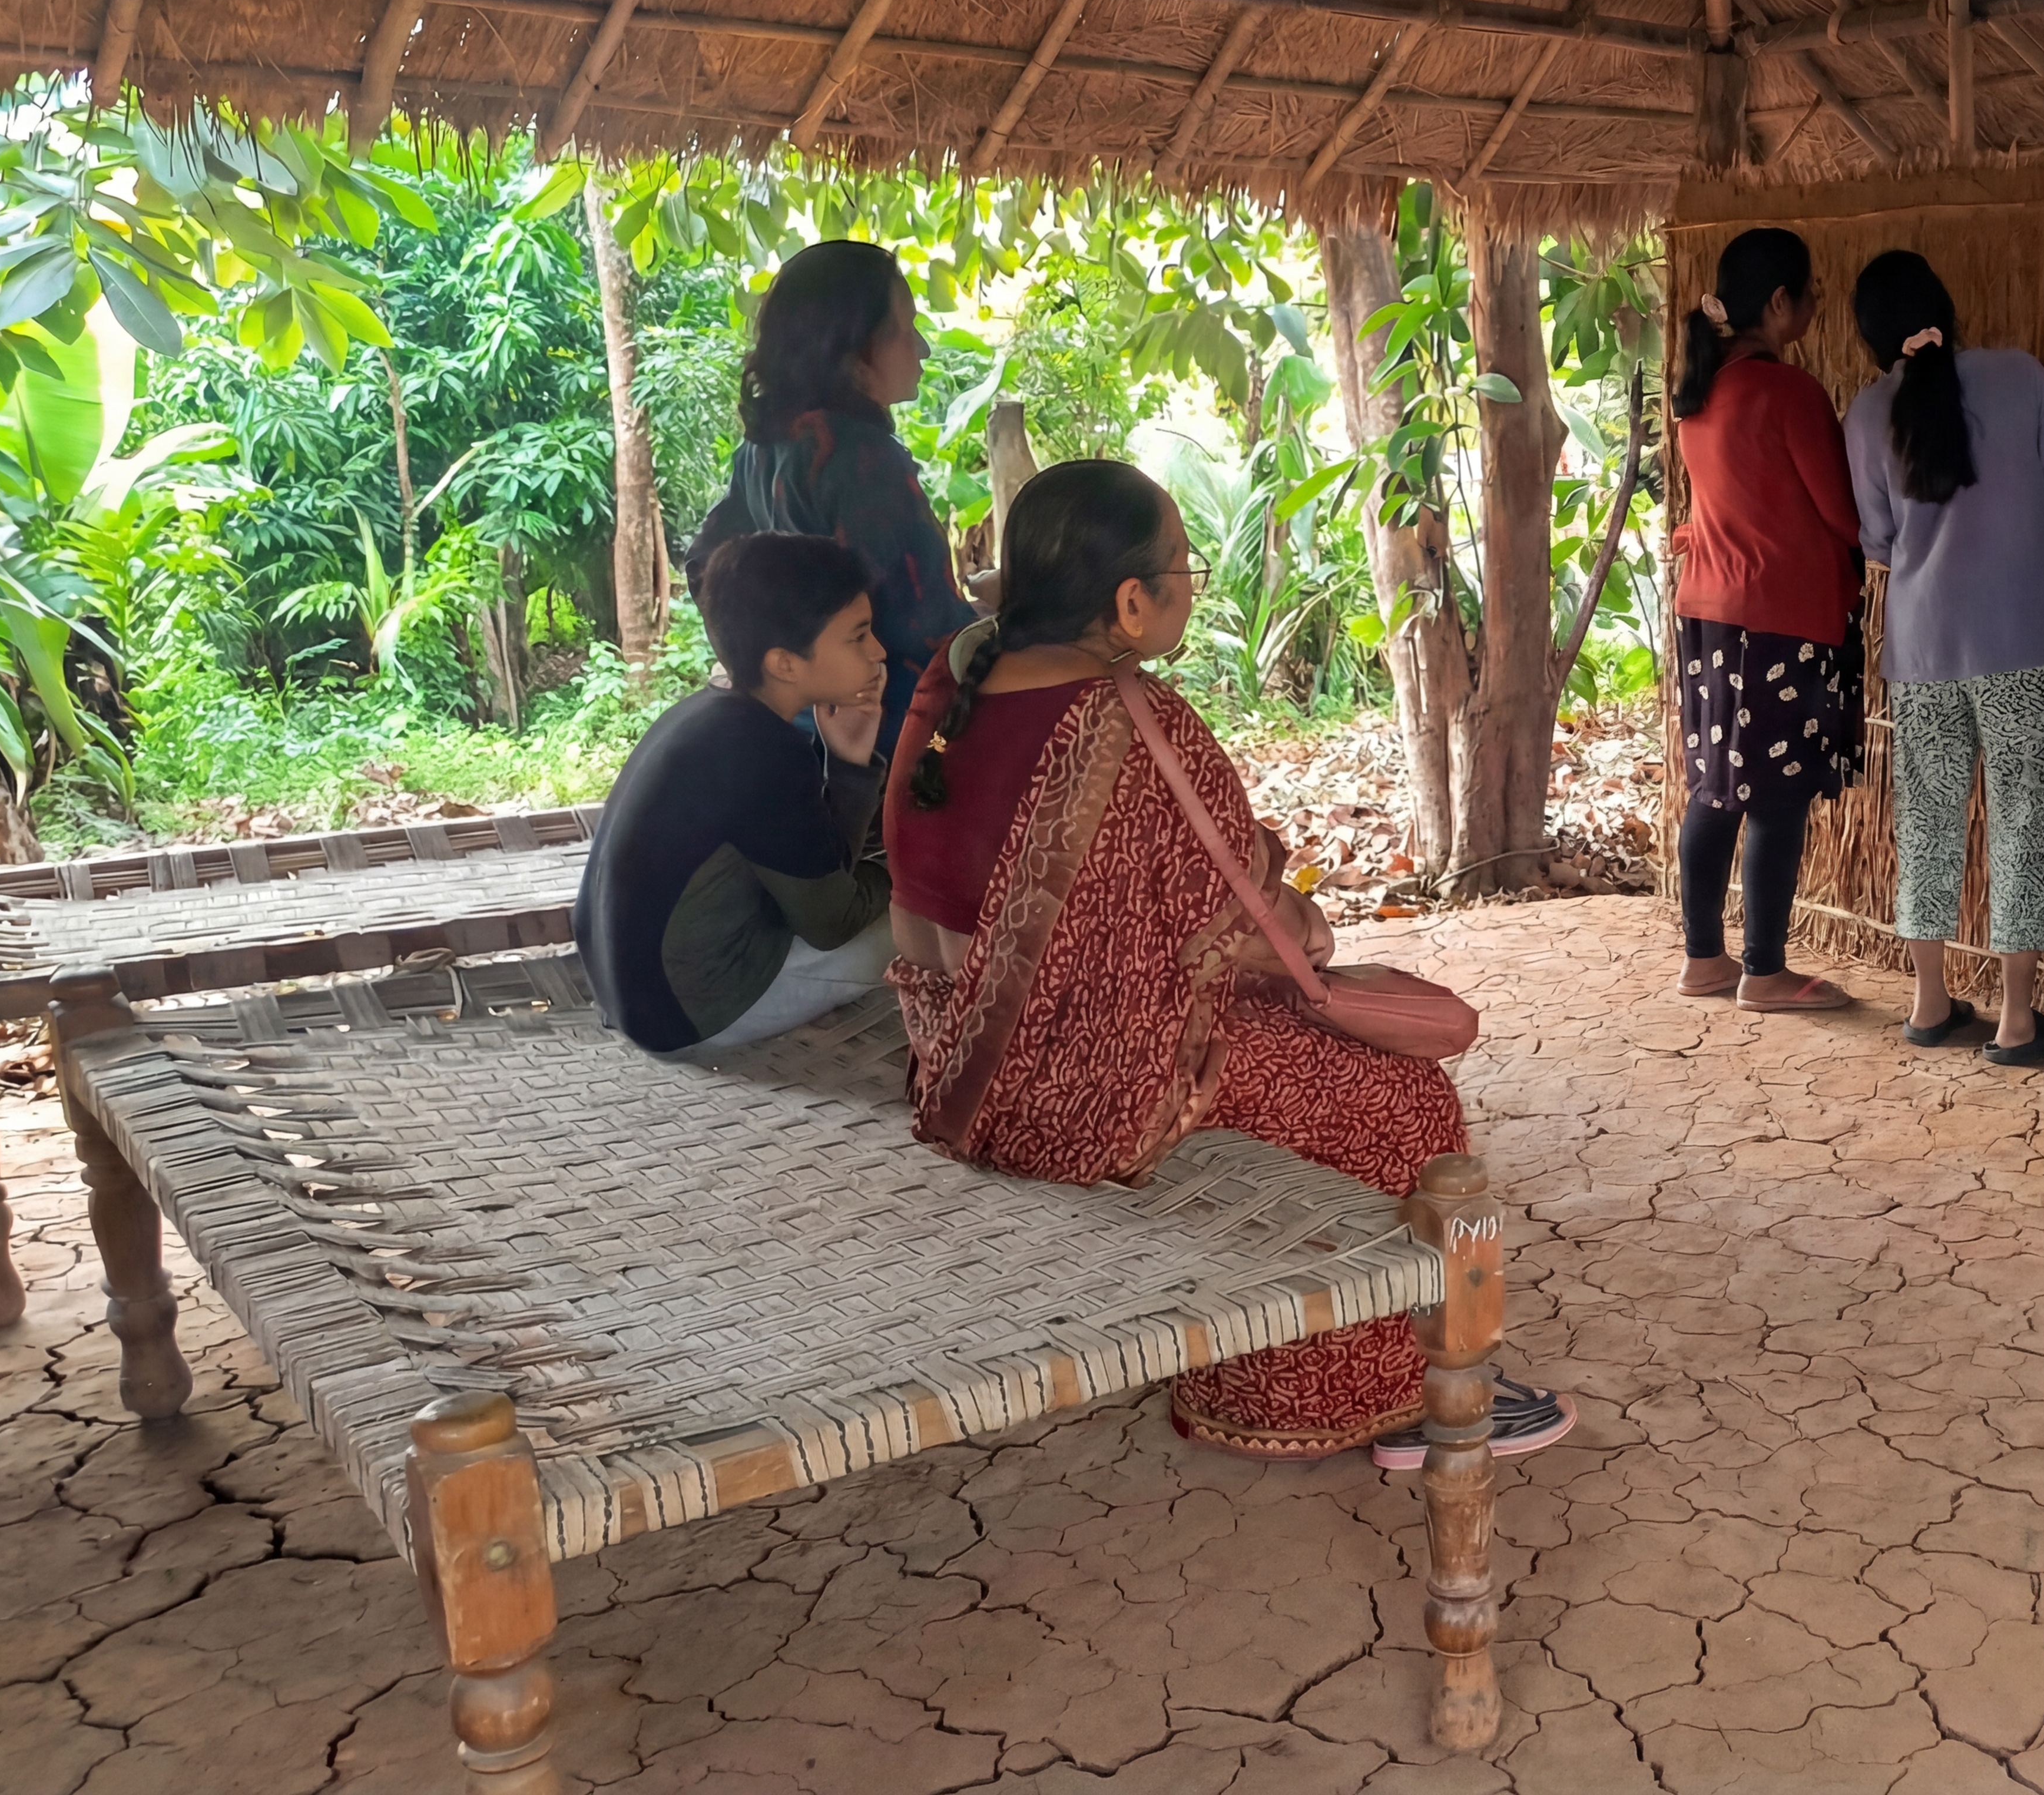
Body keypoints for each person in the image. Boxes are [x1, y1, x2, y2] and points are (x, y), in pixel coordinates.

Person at [883, 459, 1576, 1467]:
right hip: (1076, 1090)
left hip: (949, 1066)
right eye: (1181, 568)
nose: (1189, 583)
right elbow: (1249, 924)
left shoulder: (952, 684)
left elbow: (1132, 919)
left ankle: (1264, 1343)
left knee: (1280, 1041)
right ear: (1129, 602)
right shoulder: (1130, 724)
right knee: (1402, 1101)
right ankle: (1354, 1396)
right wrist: (1305, 933)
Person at [1843, 249, 2044, 1065]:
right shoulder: (2020, 377)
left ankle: (1927, 1003)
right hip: (2024, 641)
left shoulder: (1865, 414)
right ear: (1947, 308)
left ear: (1871, 338)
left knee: (1924, 820)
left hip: (1921, 648)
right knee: (2024, 821)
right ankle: (2018, 1020)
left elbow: (1878, 543)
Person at [574, 534, 897, 1055]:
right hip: (691, 1012)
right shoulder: (764, 753)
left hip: (631, 996)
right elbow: (831, 923)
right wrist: (903, 874)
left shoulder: (706, 715)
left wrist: (848, 765)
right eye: (858, 636)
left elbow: (823, 874)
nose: (879, 652)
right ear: (785, 663)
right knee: (929, 916)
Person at [1671, 226, 1863, 1014]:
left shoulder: (1699, 391)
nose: (1815, 307)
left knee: (1715, 789)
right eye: (1810, 294)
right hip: (1779, 618)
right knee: (1779, 796)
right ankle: (1766, 971)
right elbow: (1843, 516)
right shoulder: (1790, 394)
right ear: (1780, 303)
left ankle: (1704, 961)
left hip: (1707, 613)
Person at [689, 240, 978, 759]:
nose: (923, 348)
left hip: (801, 730)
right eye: (905, 329)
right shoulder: (863, 463)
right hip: (893, 736)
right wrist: (1010, 620)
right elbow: (927, 630)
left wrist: (782, 672)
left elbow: (705, 567)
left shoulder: (761, 450)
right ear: (851, 350)